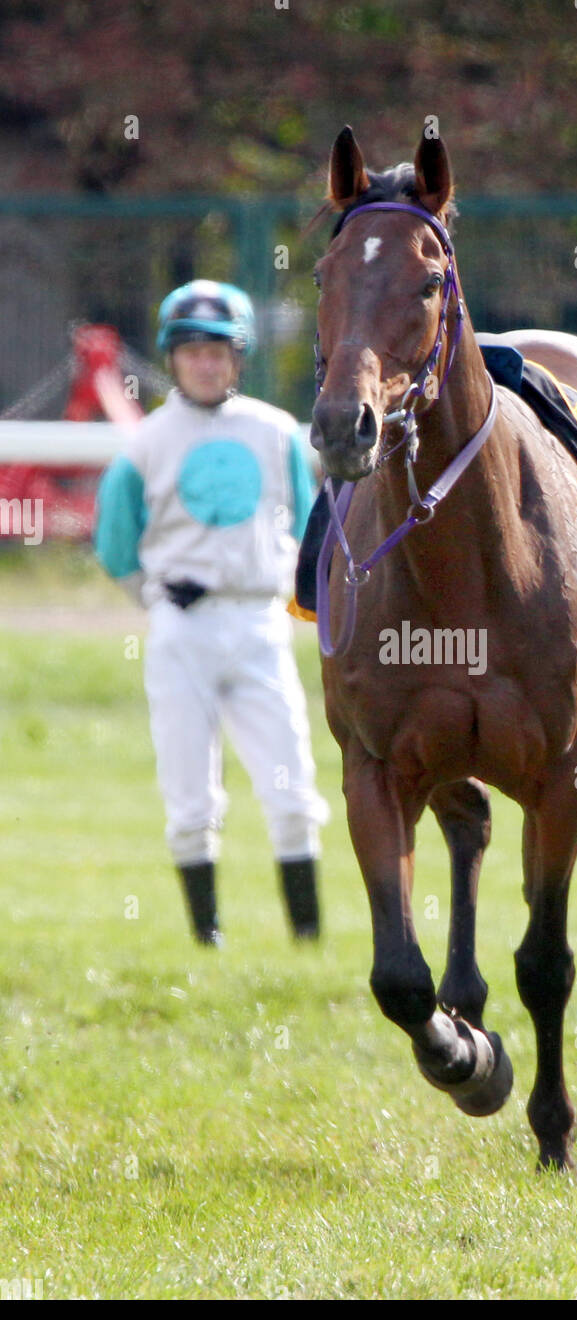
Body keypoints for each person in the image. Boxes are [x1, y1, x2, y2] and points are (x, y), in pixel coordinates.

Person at [94, 280, 329, 947]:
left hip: (258, 623)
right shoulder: (145, 444)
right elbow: (114, 542)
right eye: (191, 350)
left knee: (291, 784)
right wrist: (156, 595)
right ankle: (209, 938)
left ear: (239, 358)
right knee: (191, 793)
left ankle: (306, 935)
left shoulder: (276, 431)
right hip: (181, 629)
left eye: (219, 351)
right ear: (172, 359)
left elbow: (310, 525)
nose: (205, 363)